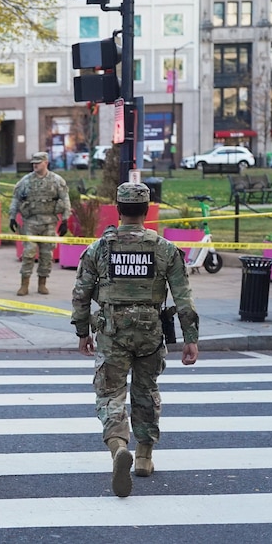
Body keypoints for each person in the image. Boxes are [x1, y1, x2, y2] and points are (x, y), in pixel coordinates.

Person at [71, 182, 199, 498]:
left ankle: (118, 446)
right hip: (151, 332)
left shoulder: (99, 249)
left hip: (112, 331)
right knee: (146, 390)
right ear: (147, 210)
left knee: (110, 392)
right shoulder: (165, 249)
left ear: (118, 209)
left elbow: (81, 294)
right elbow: (183, 296)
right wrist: (190, 337)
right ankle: (143, 456)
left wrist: (82, 332)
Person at [8, 151, 71, 296]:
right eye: (33, 163)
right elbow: (16, 199)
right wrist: (12, 217)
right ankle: (24, 284)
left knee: (46, 254)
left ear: (46, 163)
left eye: (38, 163)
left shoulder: (56, 181)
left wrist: (65, 219)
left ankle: (42, 283)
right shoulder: (25, 181)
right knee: (28, 253)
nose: (35, 165)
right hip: (30, 222)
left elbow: (65, 200)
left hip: (49, 223)